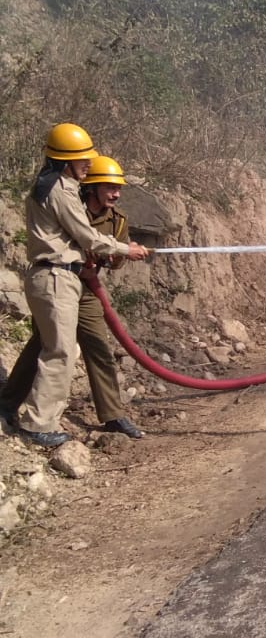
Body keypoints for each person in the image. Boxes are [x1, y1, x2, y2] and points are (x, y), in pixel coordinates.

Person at [3, 125, 150, 448]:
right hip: (57, 276)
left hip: (68, 280)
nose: (87, 163)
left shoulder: (61, 187)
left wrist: (118, 254)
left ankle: (13, 405)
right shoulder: (61, 190)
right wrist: (127, 249)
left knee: (62, 344)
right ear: (66, 160)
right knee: (58, 351)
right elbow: (87, 237)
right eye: (83, 159)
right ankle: (37, 423)